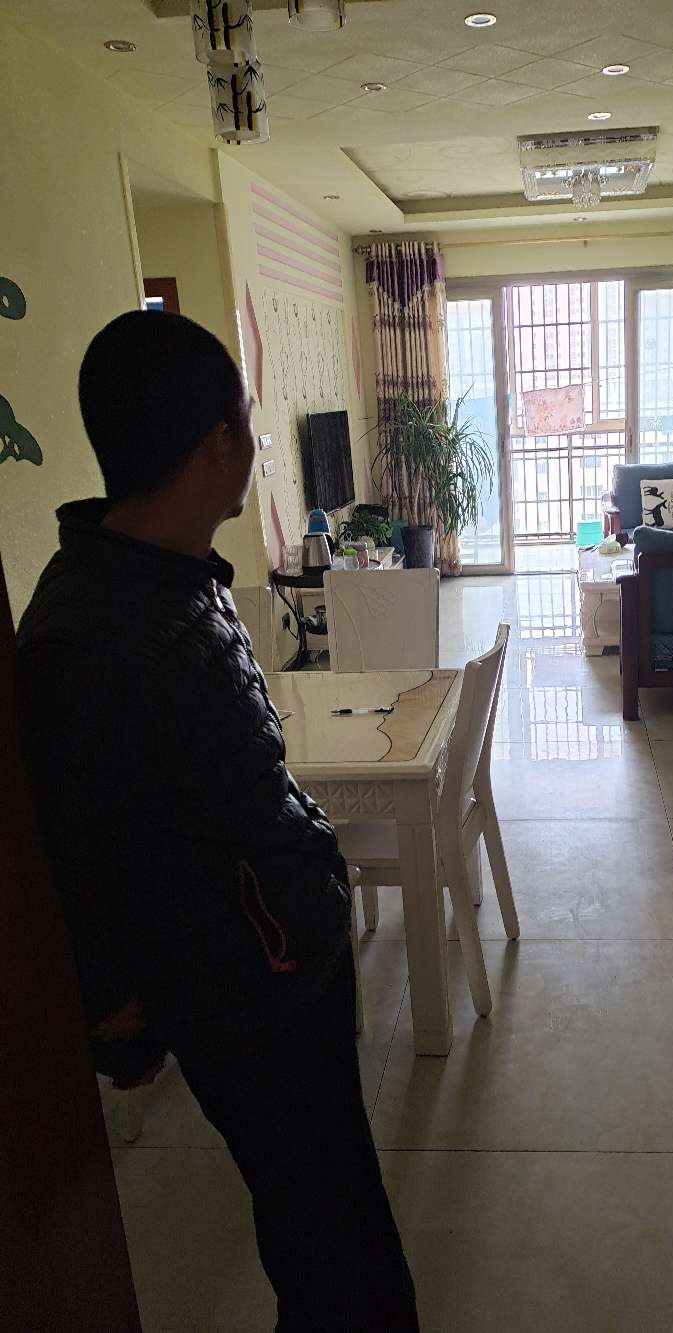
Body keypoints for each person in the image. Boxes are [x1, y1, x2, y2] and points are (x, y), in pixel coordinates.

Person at [16, 311, 419, 1332]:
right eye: (246, 420)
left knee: (328, 1221)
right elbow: (85, 858)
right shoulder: (90, 636)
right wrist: (117, 1023)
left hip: (286, 961)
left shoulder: (168, 578)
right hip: (249, 998)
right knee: (339, 1252)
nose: (254, 439)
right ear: (217, 444)